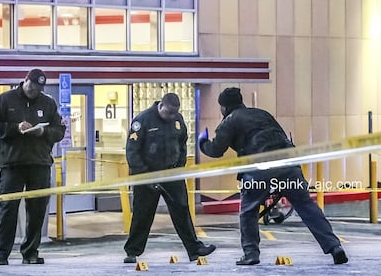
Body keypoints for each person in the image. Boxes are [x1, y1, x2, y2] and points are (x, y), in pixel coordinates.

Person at [198, 87, 348, 266]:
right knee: (306, 205)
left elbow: (216, 150)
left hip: (260, 168)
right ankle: (334, 247)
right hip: (289, 164)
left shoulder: (230, 121)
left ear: (224, 107)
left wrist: (203, 142)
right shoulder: (262, 113)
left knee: (248, 210)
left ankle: (251, 254)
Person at [123, 93, 216, 264]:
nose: (172, 116)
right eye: (169, 113)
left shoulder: (177, 119)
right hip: (148, 175)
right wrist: (143, 174)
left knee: (182, 210)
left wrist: (180, 165)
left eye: (174, 113)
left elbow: (182, 142)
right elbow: (132, 150)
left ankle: (194, 249)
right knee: (142, 214)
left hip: (172, 174)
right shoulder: (143, 120)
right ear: (161, 106)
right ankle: (132, 251)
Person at [0, 68, 65, 265]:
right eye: (32, 86)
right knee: (8, 208)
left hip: (39, 162)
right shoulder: (5, 100)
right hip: (12, 163)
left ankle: (31, 251)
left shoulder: (47, 102)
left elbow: (59, 131)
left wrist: (43, 132)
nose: (34, 91)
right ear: (25, 81)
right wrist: (15, 128)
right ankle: (1, 252)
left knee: (37, 208)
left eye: (38, 88)